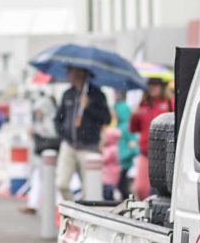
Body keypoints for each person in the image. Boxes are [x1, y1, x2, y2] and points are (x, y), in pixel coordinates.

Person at [55, 67, 110, 200]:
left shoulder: (97, 95)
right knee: (61, 184)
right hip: (69, 145)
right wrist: (63, 134)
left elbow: (106, 118)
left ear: (81, 73)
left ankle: (85, 217)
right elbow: (58, 119)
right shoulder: (68, 94)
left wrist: (89, 106)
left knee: (89, 190)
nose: (68, 75)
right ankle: (72, 209)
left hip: (89, 146)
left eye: (71, 71)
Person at [129, 77, 174, 198]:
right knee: (140, 189)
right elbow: (133, 129)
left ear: (161, 87)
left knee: (163, 190)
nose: (152, 88)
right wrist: (134, 115)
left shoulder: (170, 103)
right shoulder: (142, 105)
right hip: (146, 153)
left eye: (156, 85)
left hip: (164, 153)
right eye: (150, 85)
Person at [113, 94, 138, 198]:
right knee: (120, 187)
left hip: (124, 164)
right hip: (118, 164)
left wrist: (124, 155)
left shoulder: (126, 127)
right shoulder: (118, 126)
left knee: (122, 187)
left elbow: (135, 147)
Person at [100, 123, 121, 200]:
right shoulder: (113, 148)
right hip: (108, 176)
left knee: (108, 193)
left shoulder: (112, 150)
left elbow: (104, 159)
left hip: (110, 177)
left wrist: (101, 148)